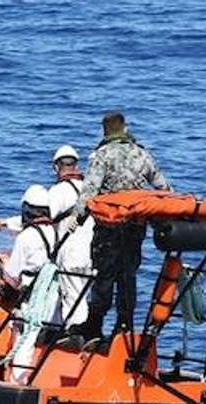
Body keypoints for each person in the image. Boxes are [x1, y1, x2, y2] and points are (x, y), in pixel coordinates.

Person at [67, 111, 171, 343]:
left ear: (105, 131)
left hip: (108, 226)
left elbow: (89, 191)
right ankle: (124, 326)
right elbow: (163, 187)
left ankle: (94, 325)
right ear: (125, 129)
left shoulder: (101, 155)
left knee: (104, 274)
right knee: (127, 275)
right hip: (134, 226)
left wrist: (77, 218)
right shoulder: (142, 154)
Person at [0, 185, 60, 383]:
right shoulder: (57, 232)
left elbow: (12, 276)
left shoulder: (26, 237)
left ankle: (18, 382)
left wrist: (2, 267)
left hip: (32, 299)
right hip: (54, 296)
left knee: (25, 341)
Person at [46, 145, 93, 328]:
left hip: (70, 253)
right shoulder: (90, 190)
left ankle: (75, 336)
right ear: (76, 166)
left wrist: (8, 223)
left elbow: (41, 218)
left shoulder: (57, 192)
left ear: (56, 167)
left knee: (73, 298)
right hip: (91, 255)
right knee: (82, 296)